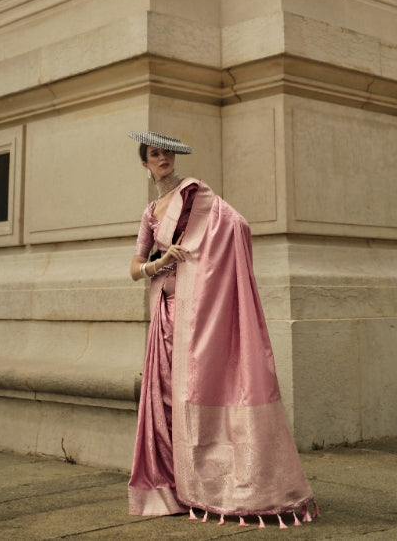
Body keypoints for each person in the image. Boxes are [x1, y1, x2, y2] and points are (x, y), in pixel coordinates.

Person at [128, 131, 319, 528]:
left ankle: (218, 483)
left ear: (175, 158)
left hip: (197, 309)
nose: (162, 158)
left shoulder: (196, 195)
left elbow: (237, 225)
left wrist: (195, 256)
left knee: (197, 387)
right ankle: (172, 486)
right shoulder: (150, 212)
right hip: (164, 310)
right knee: (164, 395)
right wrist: (160, 262)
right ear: (144, 164)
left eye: (166, 153)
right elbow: (135, 268)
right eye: (153, 154)